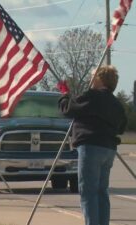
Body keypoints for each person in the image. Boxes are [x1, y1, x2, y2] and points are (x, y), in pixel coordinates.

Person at [58, 65, 127, 225]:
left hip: (90, 147)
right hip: (108, 149)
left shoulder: (91, 96)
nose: (90, 79)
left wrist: (64, 95)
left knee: (88, 191)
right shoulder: (116, 104)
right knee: (102, 191)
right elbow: (122, 127)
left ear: (99, 79)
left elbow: (68, 109)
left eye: (92, 77)